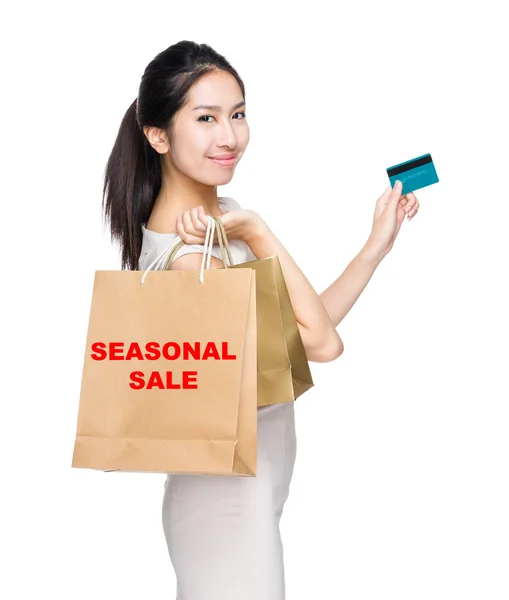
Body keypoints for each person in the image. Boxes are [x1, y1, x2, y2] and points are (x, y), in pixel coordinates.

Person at [102, 40, 420, 600]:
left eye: (238, 114)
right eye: (206, 118)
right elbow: (321, 346)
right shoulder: (191, 258)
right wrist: (261, 232)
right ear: (157, 135)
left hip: (248, 496)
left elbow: (292, 340)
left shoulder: (221, 218)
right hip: (225, 507)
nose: (230, 136)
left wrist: (375, 247)